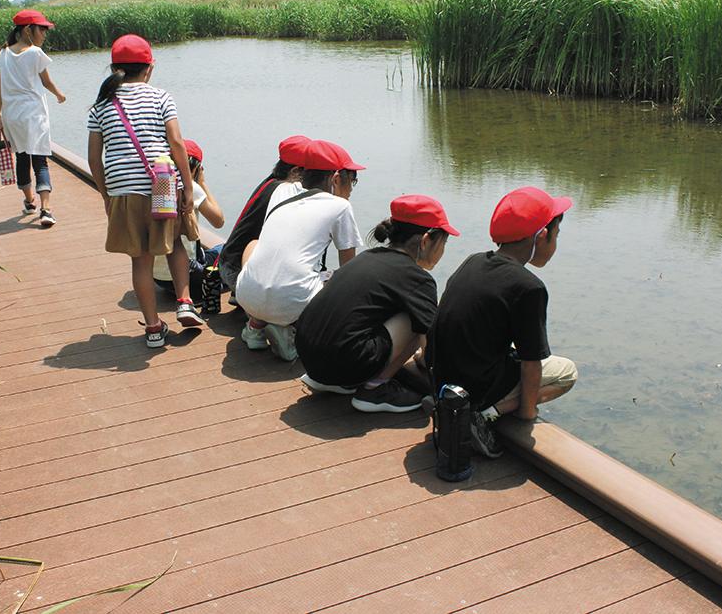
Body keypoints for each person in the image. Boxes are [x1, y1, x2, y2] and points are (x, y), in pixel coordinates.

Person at [426, 186, 579, 458]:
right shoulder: (529, 287)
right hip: (475, 388)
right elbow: (532, 363)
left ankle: (462, 408)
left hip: (442, 379)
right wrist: (526, 414)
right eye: (556, 235)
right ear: (542, 236)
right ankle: (483, 414)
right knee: (567, 371)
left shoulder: (473, 261)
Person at [86, 34, 201, 348]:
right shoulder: (161, 97)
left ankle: (153, 329)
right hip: (162, 182)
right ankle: (185, 302)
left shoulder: (101, 105)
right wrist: (188, 187)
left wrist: (106, 194)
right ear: (149, 68)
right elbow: (176, 143)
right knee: (175, 241)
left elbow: (94, 158)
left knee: (141, 260)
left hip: (124, 190)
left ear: (114, 68)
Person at [295, 195, 458, 413]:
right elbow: (431, 338)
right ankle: (375, 389)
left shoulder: (367, 257)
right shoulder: (417, 278)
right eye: (443, 242)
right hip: (341, 360)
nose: (442, 250)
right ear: (426, 240)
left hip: (308, 356)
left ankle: (338, 380)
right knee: (417, 317)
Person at [235, 139, 365, 361]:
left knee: (253, 246)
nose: (352, 187)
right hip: (291, 304)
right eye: (352, 179)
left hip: (246, 295)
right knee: (341, 279)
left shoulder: (281, 190)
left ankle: (256, 326)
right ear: (335, 178)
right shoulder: (340, 207)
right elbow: (348, 269)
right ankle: (288, 329)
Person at [0, 9, 67, 227]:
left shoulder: (3, 54)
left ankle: (29, 201)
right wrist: (60, 94)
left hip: (12, 116)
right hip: (33, 114)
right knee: (40, 161)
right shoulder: (35, 53)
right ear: (27, 30)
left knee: (23, 158)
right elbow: (46, 81)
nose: (44, 34)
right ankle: (46, 209)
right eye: (42, 30)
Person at [217, 135, 309, 305]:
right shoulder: (285, 191)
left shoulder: (271, 182)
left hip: (228, 264)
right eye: (311, 171)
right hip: (237, 274)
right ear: (295, 172)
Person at [153, 138, 225, 300]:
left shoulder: (157, 185)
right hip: (189, 277)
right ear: (195, 168)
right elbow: (218, 221)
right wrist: (203, 183)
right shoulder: (191, 188)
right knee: (227, 249)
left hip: (158, 278)